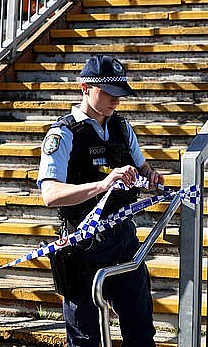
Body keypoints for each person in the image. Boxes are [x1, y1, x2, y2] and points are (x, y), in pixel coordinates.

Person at [37, 55, 163, 347]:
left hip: (124, 240)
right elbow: (50, 195)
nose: (116, 101)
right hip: (83, 245)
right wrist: (103, 185)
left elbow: (143, 168)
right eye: (108, 93)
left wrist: (152, 177)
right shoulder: (63, 133)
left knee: (141, 331)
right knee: (85, 339)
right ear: (85, 88)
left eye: (120, 94)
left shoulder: (121, 127)